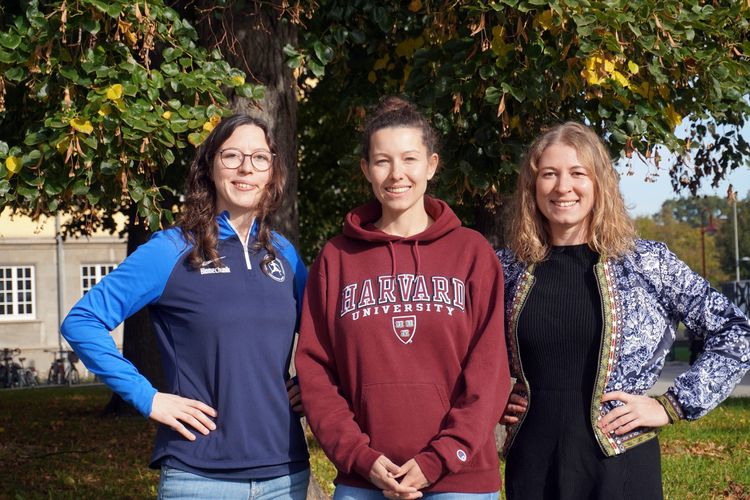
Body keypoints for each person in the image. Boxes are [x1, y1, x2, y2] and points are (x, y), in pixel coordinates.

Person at [497, 121, 750, 500]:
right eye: (549, 174)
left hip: (621, 464)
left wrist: (674, 405)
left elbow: (736, 332)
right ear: (532, 187)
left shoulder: (645, 263)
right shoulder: (506, 270)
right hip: (533, 465)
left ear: (599, 183)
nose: (563, 186)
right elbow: (461, 348)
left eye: (577, 173)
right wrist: (496, 394)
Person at [61, 115, 310, 499]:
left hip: (285, 473)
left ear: (272, 170)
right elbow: (82, 321)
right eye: (232, 156)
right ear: (209, 166)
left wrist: (314, 386)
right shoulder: (172, 250)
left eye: (260, 157)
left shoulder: (285, 255)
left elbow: (329, 334)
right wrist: (148, 397)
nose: (246, 167)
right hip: (199, 477)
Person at [295, 96, 511, 500]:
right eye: (382, 161)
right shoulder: (336, 258)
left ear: (431, 165)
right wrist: (358, 456)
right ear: (366, 170)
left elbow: (490, 370)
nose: (397, 174)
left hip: (458, 480)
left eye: (409, 159)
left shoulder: (471, 252)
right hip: (364, 479)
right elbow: (317, 372)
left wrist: (440, 457)